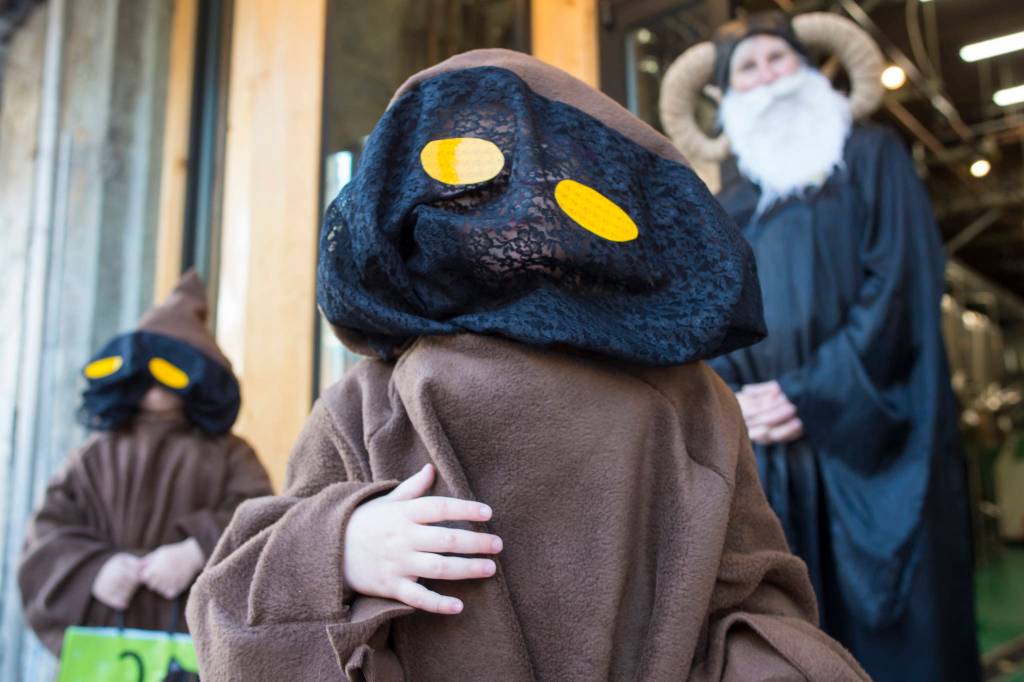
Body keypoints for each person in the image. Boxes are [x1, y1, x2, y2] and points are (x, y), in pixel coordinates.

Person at [186, 49, 868, 681]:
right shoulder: (367, 403)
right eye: (471, 174)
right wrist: (339, 547)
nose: (515, 206)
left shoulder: (692, 403)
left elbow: (753, 597)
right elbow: (232, 603)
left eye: (549, 176)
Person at [660, 12, 980, 682]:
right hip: (768, 449)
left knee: (898, 633)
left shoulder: (873, 158)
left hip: (869, 438)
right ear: (726, 100)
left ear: (811, 72)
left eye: (780, 60)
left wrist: (813, 392)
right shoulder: (733, 203)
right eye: (747, 69)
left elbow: (900, 287)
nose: (768, 77)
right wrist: (733, 402)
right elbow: (710, 319)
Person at [18, 270, 272, 655]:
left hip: (194, 647)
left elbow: (262, 519)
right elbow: (48, 532)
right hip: (103, 653)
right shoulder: (93, 455)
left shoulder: (230, 454)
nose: (154, 384)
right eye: (143, 370)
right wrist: (94, 570)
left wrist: (197, 551)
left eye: (171, 371)